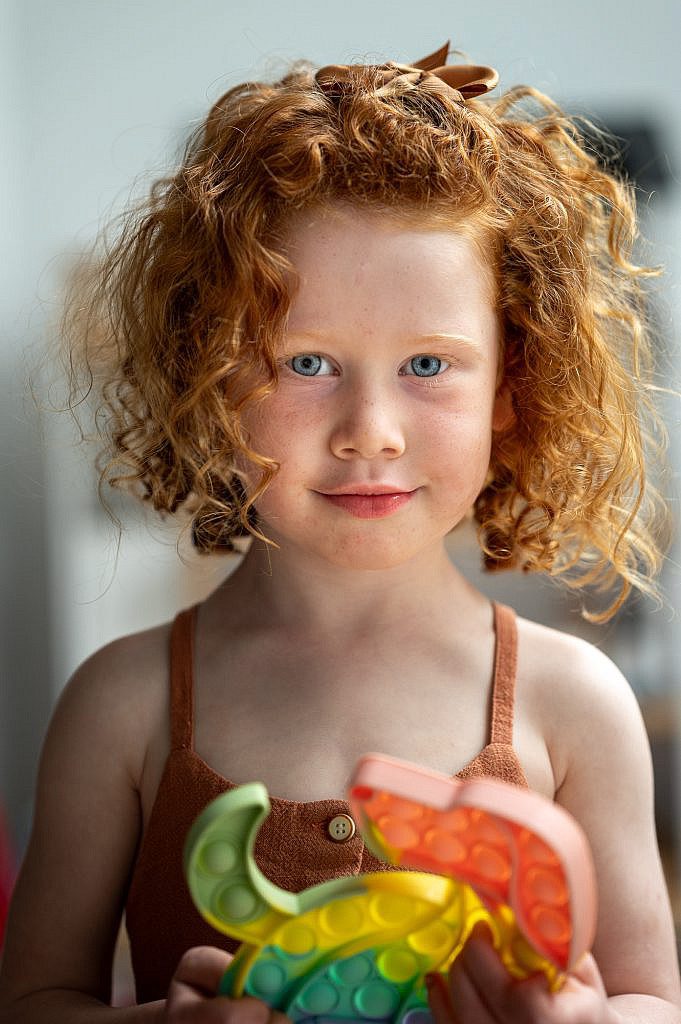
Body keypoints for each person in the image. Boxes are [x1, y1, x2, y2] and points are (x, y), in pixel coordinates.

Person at [0, 40, 679, 1024]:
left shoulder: (575, 705)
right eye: (307, 363)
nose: (371, 429)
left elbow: (654, 999)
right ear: (210, 377)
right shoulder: (120, 706)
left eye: (430, 365)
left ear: (511, 385)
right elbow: (34, 1002)